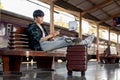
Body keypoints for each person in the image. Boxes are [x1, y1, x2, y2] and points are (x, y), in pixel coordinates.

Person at [26, 9, 95, 51]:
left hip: (46, 43)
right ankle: (86, 42)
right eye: (40, 17)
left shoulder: (41, 26)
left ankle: (85, 42)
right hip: (40, 46)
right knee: (67, 41)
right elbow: (40, 40)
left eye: (42, 17)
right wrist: (51, 35)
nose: (42, 18)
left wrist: (54, 35)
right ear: (35, 17)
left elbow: (47, 38)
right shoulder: (32, 27)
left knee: (63, 37)